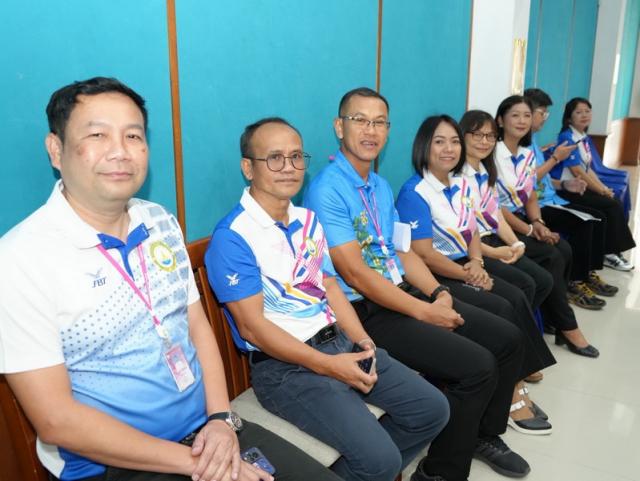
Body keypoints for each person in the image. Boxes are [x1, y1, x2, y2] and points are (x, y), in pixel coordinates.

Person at [0, 77, 341, 481]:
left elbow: (196, 326)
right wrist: (199, 464)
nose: (119, 151)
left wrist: (221, 419)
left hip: (208, 431)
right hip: (113, 465)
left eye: (133, 136)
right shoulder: (21, 257)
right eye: (97, 134)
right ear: (56, 150)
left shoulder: (159, 220)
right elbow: (56, 420)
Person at [205, 117, 449, 481]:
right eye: (274, 158)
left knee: (432, 410)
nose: (289, 167)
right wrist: (328, 365)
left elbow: (331, 288)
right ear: (248, 168)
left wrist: (364, 342)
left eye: (296, 157)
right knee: (380, 460)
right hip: (285, 368)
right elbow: (252, 328)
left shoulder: (307, 220)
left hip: (340, 342)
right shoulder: (233, 236)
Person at [305, 87, 530, 481]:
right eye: (360, 120)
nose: (371, 130)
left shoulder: (379, 186)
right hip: (363, 310)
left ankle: (478, 435)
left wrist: (437, 293)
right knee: (478, 366)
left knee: (508, 338)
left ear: (389, 130)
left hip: (400, 294)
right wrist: (424, 312)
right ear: (339, 127)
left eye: (379, 122)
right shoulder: (328, 189)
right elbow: (354, 273)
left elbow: (403, 251)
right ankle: (438, 471)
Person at [396, 114, 555, 436]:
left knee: (517, 292)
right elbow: (423, 254)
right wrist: (467, 273)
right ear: (423, 146)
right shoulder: (414, 192)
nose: (449, 149)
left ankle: (513, 383)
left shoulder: (462, 183)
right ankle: (513, 392)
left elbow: (472, 231)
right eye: (439, 142)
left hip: (465, 265)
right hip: (436, 274)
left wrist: (478, 262)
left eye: (454, 141)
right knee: (505, 304)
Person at [493, 95, 599, 358]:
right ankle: (567, 326)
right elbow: (495, 207)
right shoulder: (492, 154)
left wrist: (538, 222)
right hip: (500, 223)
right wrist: (529, 230)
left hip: (522, 217)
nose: (522, 121)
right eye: (515, 115)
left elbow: (530, 194)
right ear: (501, 120)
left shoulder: (526, 153)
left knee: (564, 249)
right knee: (551, 256)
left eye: (527, 115)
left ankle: (555, 319)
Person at [522, 88, 618, 308]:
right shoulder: (522, 145)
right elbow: (527, 182)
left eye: (546, 113)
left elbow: (544, 180)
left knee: (597, 217)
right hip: (537, 205)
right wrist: (555, 158)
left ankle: (587, 274)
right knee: (586, 222)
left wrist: (565, 184)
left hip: (551, 197)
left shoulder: (534, 139)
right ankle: (575, 282)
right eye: (542, 113)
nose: (544, 118)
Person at [552, 97, 636, 271]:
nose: (584, 115)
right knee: (611, 205)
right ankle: (609, 253)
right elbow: (577, 171)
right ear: (569, 118)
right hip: (566, 189)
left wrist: (603, 188)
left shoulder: (583, 137)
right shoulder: (567, 137)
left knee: (613, 201)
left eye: (587, 111)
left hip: (580, 187)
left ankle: (612, 250)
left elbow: (588, 168)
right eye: (578, 112)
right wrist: (601, 190)